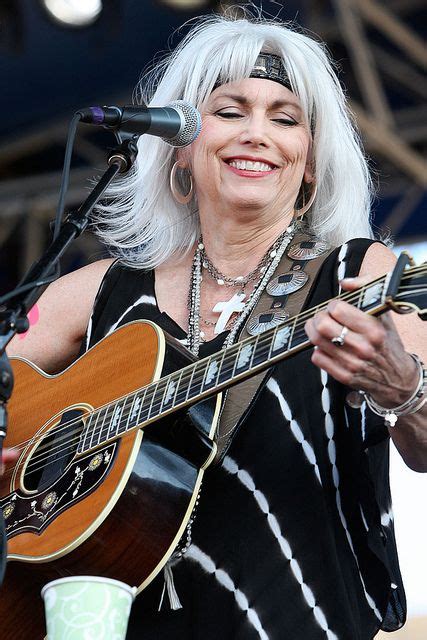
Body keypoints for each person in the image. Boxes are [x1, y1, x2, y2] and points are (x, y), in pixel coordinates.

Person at [5, 9, 427, 640]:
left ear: (309, 162)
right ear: (181, 146)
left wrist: (405, 391)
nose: (257, 133)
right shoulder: (102, 291)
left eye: (284, 119)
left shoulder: (361, 274)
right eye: (230, 112)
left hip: (295, 616)